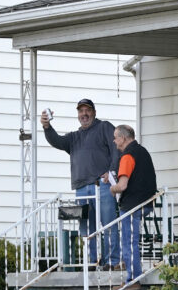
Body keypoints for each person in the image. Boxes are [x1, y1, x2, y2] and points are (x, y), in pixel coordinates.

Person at [41, 99, 121, 269]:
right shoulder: (74, 137)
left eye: (87, 110)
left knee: (108, 224)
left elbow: (117, 148)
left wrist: (112, 171)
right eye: (81, 111)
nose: (84, 114)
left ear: (94, 112)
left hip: (103, 185)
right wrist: (47, 127)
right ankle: (92, 261)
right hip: (81, 188)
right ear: (78, 115)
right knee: (87, 228)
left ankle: (112, 262)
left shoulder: (104, 127)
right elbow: (57, 141)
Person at [110, 124, 157, 290]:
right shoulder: (142, 151)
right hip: (146, 201)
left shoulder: (127, 155)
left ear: (123, 138)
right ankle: (133, 277)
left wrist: (111, 187)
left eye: (116, 138)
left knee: (129, 242)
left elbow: (122, 185)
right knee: (132, 241)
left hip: (132, 205)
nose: (115, 142)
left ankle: (132, 280)